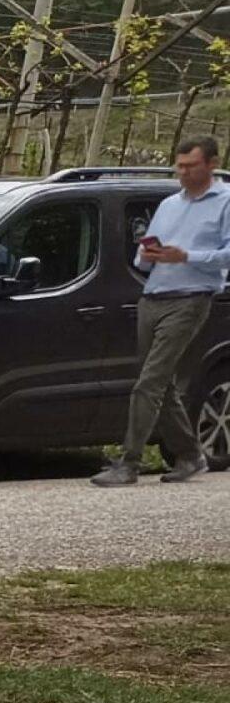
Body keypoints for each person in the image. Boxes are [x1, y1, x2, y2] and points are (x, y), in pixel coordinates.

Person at [94, 133, 227, 488]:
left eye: (191, 166)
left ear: (211, 164)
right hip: (153, 295)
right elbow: (142, 258)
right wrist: (148, 254)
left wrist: (188, 256)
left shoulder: (226, 202)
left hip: (192, 297)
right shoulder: (169, 205)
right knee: (160, 382)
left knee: (148, 383)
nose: (183, 173)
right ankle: (189, 454)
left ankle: (129, 462)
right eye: (179, 166)